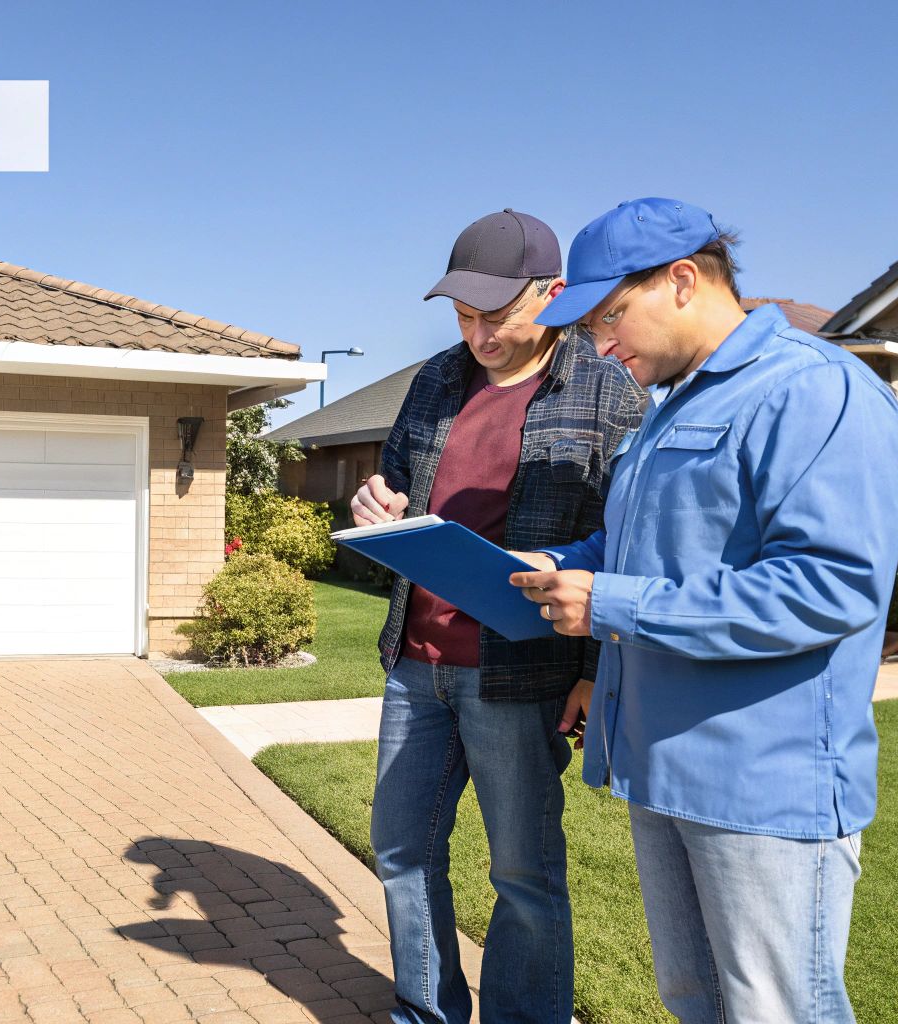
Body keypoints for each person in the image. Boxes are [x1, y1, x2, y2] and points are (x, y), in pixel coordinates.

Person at [511, 198, 898, 1023]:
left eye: (609, 315)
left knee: (777, 1009)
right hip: (661, 768)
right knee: (696, 1001)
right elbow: (639, 552)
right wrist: (555, 565)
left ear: (684, 281)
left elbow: (829, 585)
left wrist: (613, 604)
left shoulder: (814, 391)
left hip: (763, 782)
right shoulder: (669, 410)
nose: (599, 344)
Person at [352, 209, 643, 1024]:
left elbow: (629, 544)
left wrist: (593, 671)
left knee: (522, 874)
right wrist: (377, 504)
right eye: (464, 315)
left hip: (523, 674)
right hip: (417, 664)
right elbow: (397, 488)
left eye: (498, 315)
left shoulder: (607, 391)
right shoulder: (436, 381)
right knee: (403, 850)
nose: (479, 334)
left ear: (552, 295)